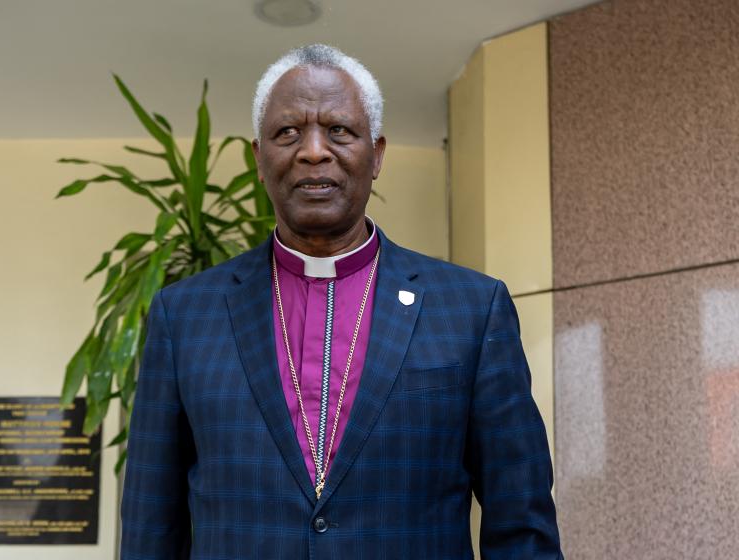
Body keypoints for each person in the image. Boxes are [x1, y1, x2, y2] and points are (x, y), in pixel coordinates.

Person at [121, 44, 562, 559]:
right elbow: (151, 530)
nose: (312, 151)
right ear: (258, 159)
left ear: (376, 156)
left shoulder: (470, 308)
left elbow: (521, 525)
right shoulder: (185, 316)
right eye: (287, 132)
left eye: (339, 131)